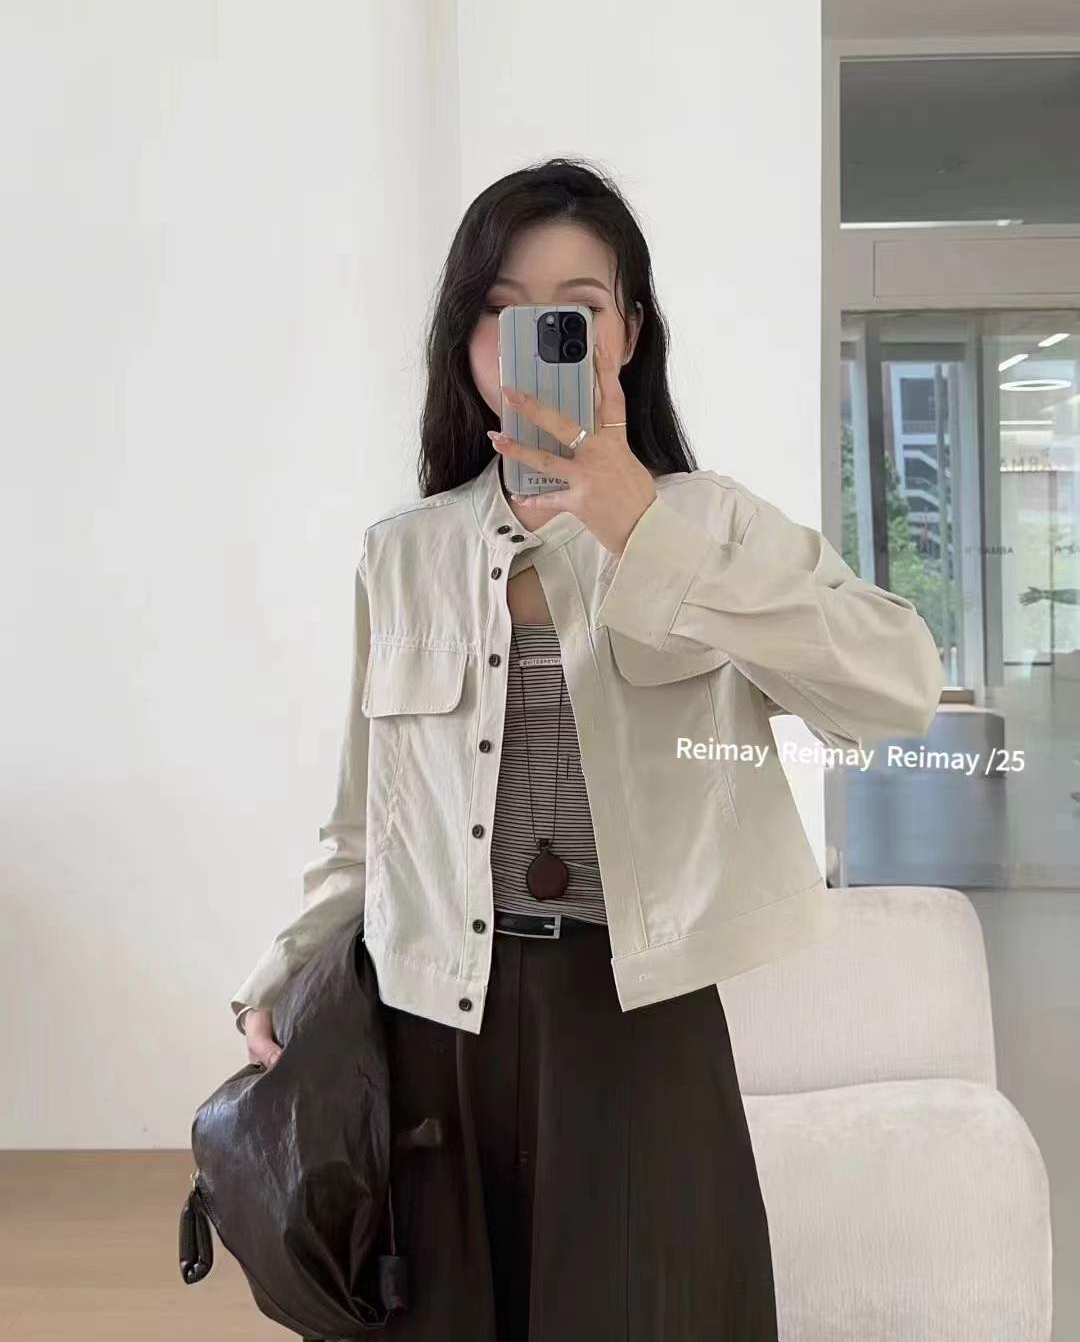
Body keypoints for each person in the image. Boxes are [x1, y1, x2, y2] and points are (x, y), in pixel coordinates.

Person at [230, 157, 944, 1340]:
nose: (534, 337)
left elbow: (898, 689)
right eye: (501, 308)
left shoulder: (710, 524)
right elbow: (366, 828)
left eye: (573, 309)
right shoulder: (402, 555)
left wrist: (641, 527)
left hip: (637, 1024)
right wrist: (280, 974)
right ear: (465, 342)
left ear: (627, 335)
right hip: (433, 1027)